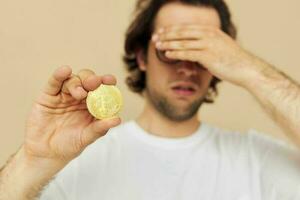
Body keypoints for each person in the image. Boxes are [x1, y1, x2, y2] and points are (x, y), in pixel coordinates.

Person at [1, 0, 300, 199]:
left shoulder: (257, 160)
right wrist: (32, 162)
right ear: (142, 56)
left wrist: (251, 70)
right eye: (172, 49)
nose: (187, 66)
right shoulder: (78, 157)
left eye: (204, 51)